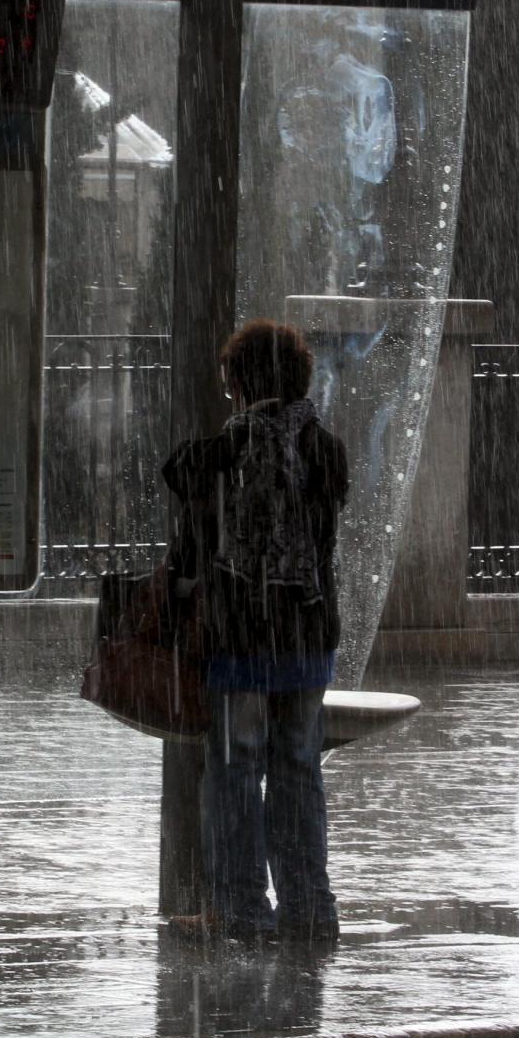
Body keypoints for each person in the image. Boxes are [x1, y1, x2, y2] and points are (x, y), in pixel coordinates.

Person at [163, 319, 349, 946]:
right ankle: (310, 910)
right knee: (298, 772)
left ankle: (240, 910)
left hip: (242, 640)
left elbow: (177, 474)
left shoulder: (223, 455)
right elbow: (322, 537)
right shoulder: (325, 449)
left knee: (235, 773)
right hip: (306, 640)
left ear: (239, 384)